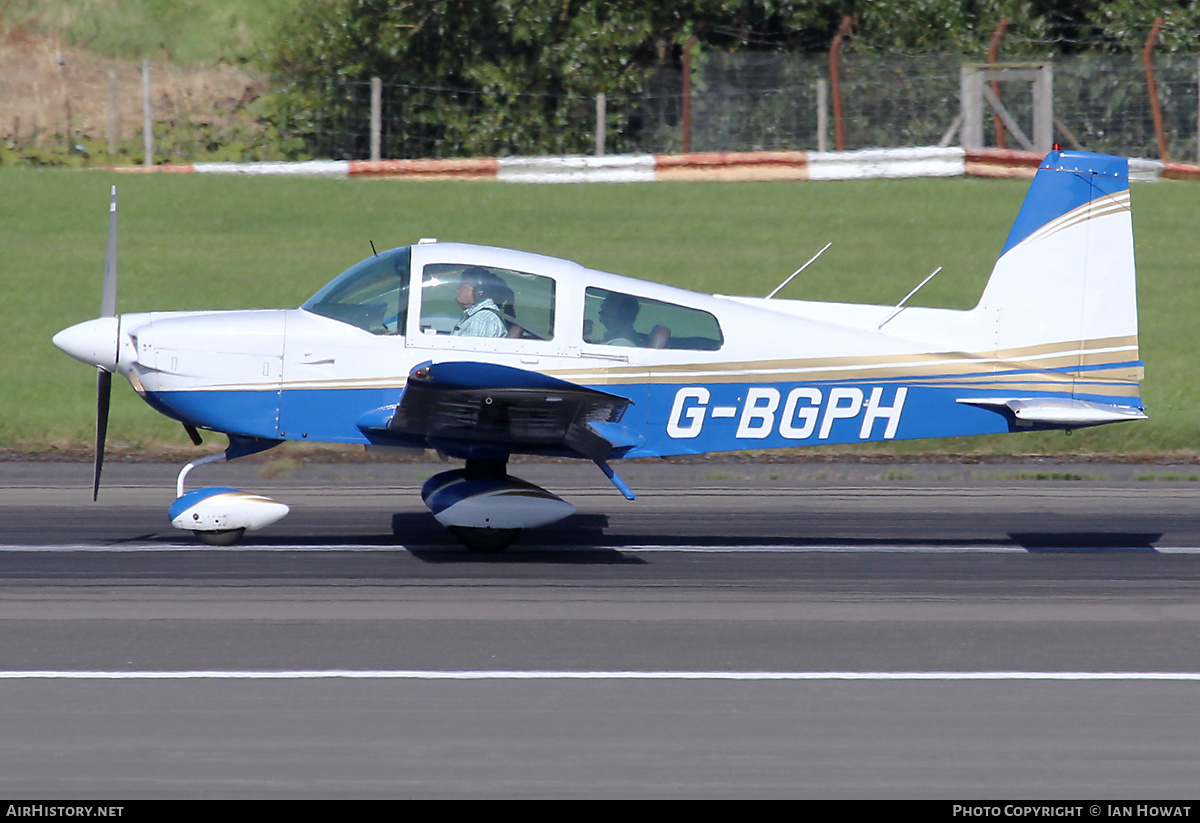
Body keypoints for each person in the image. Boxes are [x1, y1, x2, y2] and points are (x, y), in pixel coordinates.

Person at [451, 267, 508, 338]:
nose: (457, 291)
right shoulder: (482, 316)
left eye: (462, 286)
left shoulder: (481, 319)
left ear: (479, 292)